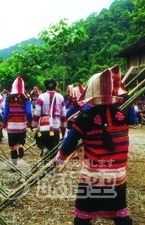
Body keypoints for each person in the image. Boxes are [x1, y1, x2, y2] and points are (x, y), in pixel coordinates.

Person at [54, 69, 137, 225]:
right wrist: (127, 99)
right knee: (119, 214)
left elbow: (69, 143)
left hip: (93, 178)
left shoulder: (85, 117)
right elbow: (133, 118)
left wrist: (59, 158)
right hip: (117, 176)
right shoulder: (122, 114)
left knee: (83, 216)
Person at [2, 76, 32, 166]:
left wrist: (4, 122)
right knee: (21, 139)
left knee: (12, 145)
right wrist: (29, 121)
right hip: (21, 125)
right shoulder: (26, 98)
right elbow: (28, 112)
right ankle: (21, 146)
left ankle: (14, 164)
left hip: (11, 125)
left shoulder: (8, 98)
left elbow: (5, 112)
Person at [32, 79, 66, 158]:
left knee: (39, 139)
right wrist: (63, 126)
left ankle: (44, 148)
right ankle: (50, 168)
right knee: (54, 148)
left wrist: (34, 124)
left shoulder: (41, 96)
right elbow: (63, 113)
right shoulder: (60, 97)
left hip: (44, 125)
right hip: (56, 126)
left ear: (45, 86)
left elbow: (37, 112)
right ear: (55, 87)